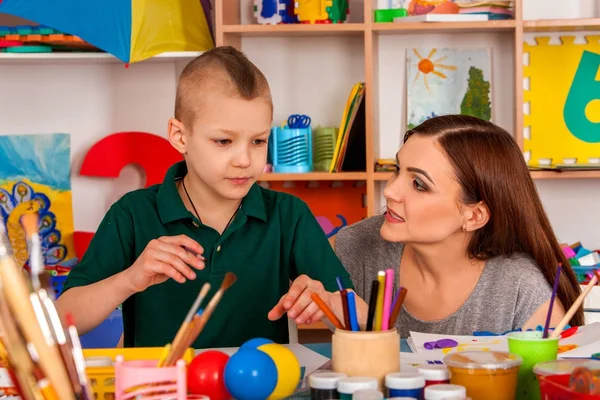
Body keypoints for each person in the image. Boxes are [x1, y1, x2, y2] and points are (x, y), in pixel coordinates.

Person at [57, 46, 354, 348]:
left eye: (258, 141)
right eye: (223, 141)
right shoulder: (132, 213)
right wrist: (130, 279)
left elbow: (363, 322)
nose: (244, 159)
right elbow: (62, 319)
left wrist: (327, 302)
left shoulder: (288, 215)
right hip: (162, 391)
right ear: (179, 136)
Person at [334, 115, 583, 337]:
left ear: (474, 216)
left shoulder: (524, 292)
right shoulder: (359, 244)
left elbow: (547, 384)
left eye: (419, 184)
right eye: (397, 170)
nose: (389, 190)